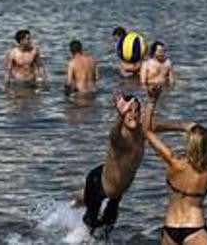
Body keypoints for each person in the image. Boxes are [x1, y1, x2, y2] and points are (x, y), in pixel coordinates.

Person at [76, 92, 187, 239]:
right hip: (100, 187)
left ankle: (79, 198)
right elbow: (113, 136)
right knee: (91, 229)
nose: (133, 114)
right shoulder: (120, 137)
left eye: (136, 110)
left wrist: (186, 127)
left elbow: (160, 125)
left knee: (107, 229)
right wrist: (119, 116)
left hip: (115, 190)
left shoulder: (142, 131)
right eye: (129, 111)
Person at [144, 86, 207, 244]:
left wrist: (152, 101)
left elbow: (147, 131)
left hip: (170, 227)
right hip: (195, 227)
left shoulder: (174, 162)